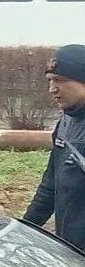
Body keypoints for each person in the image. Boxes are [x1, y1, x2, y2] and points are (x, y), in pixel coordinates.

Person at [23, 44, 85, 252]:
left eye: (60, 80)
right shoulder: (66, 123)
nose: (52, 89)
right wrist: (24, 227)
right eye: (50, 81)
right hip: (71, 251)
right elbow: (50, 186)